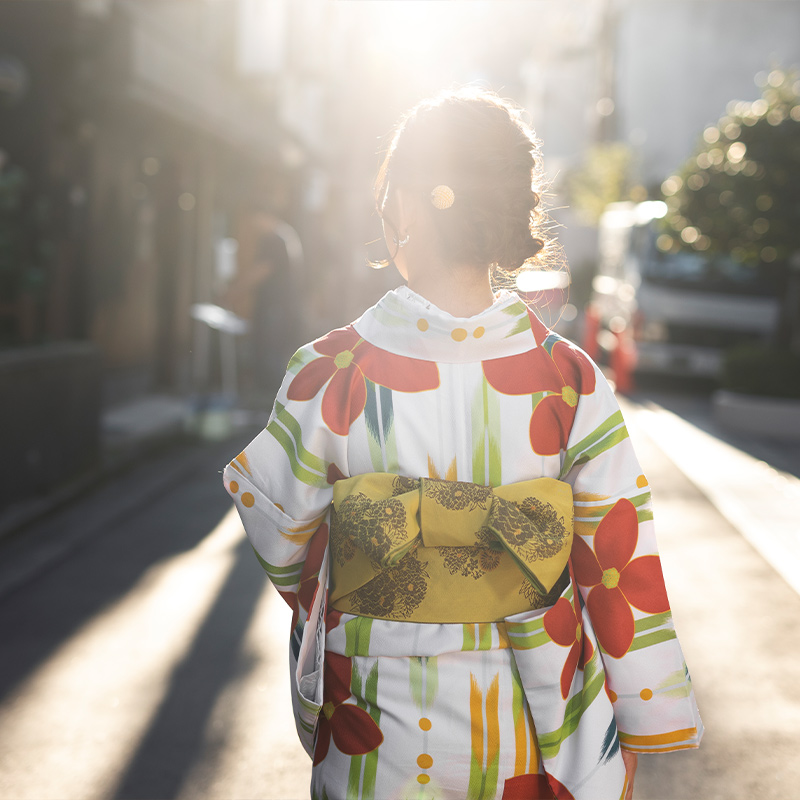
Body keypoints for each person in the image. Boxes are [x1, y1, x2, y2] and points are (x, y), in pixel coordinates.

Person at [223, 88, 702, 800]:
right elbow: (616, 563)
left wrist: (383, 562)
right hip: (530, 723)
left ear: (409, 207)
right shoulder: (568, 379)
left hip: (373, 721)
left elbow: (282, 537)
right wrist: (639, 717)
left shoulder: (327, 372)